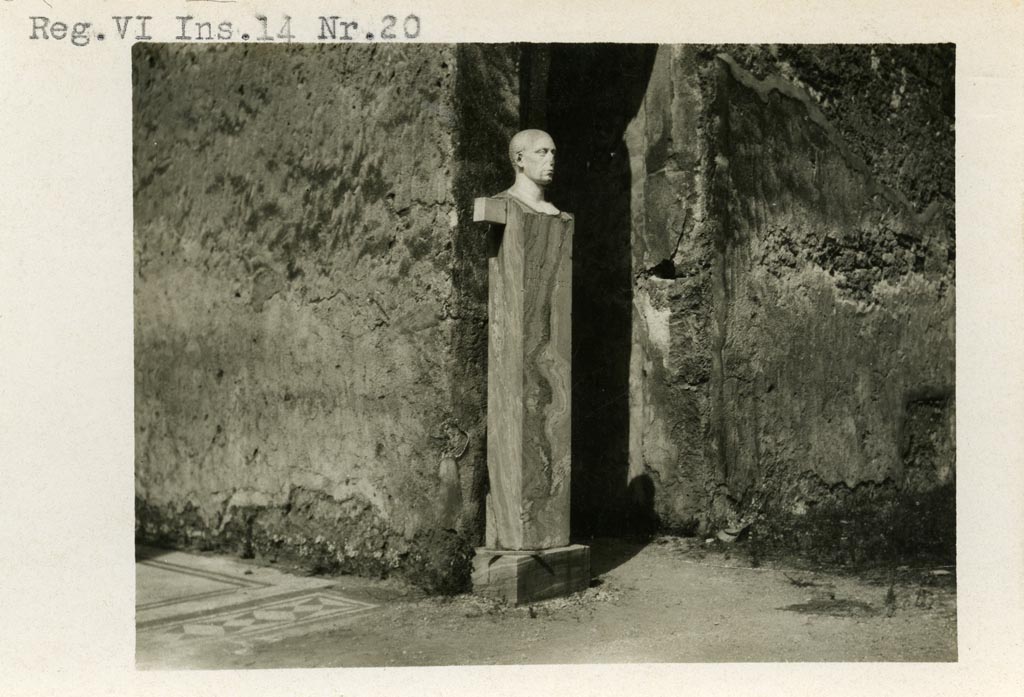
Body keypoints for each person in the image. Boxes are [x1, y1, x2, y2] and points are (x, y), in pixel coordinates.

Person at [496, 129, 561, 215]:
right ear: (520, 159)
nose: (551, 160)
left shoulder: (557, 213)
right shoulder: (497, 204)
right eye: (542, 152)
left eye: (553, 153)